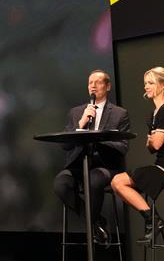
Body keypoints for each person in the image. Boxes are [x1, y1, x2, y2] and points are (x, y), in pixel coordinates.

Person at [53, 69, 130, 246]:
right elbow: (65, 145)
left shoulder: (119, 114)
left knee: (94, 180)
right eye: (90, 83)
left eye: (98, 82)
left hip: (105, 166)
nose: (93, 86)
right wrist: (80, 126)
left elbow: (123, 147)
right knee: (60, 184)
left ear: (108, 86)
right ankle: (96, 223)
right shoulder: (76, 112)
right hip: (79, 165)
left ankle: (93, 226)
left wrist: (98, 138)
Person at [111, 67, 164, 244]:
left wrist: (152, 141)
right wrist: (152, 141)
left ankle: (153, 220)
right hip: (162, 163)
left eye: (151, 83)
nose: (146, 87)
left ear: (163, 85)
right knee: (117, 183)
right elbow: (151, 148)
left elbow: (156, 144)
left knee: (118, 181)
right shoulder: (155, 113)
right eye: (145, 83)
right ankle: (153, 220)